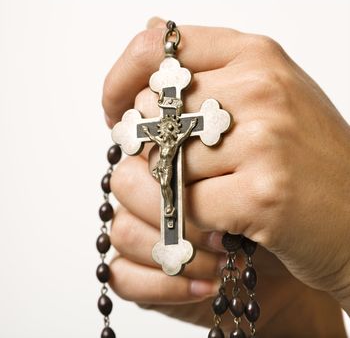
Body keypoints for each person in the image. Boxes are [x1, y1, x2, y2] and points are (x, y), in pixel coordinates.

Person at [101, 17, 350, 336]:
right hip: (167, 166)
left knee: (167, 181)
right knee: (166, 182)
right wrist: (298, 320)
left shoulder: (185, 124)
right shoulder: (159, 130)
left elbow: (203, 122)